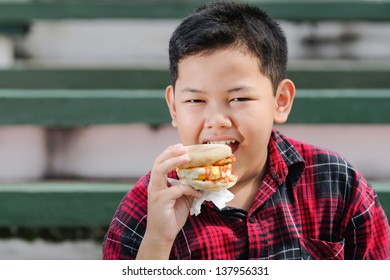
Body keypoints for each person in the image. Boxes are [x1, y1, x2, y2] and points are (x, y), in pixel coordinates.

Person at [103, 1, 390, 260]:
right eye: (195, 100)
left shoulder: (337, 183)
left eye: (238, 99)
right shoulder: (146, 209)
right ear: (174, 107)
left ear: (280, 101)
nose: (217, 120)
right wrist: (158, 240)